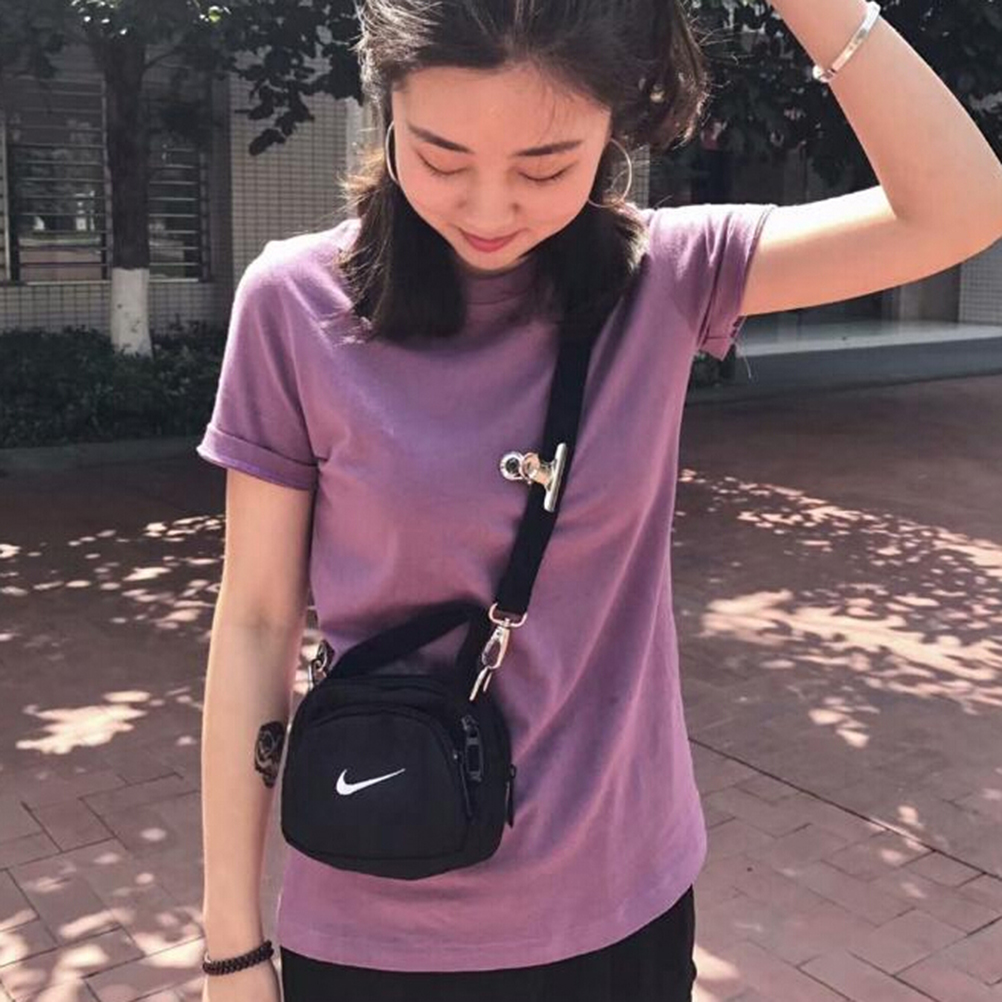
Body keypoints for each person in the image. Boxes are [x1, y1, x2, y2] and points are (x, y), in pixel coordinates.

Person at [196, 0, 1002, 997]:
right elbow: (256, 622)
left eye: (546, 168)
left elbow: (960, 208)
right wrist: (231, 945)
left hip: (620, 914)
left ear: (614, 130)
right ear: (387, 108)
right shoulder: (292, 304)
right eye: (440, 157)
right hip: (374, 913)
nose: (490, 209)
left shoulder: (666, 279)